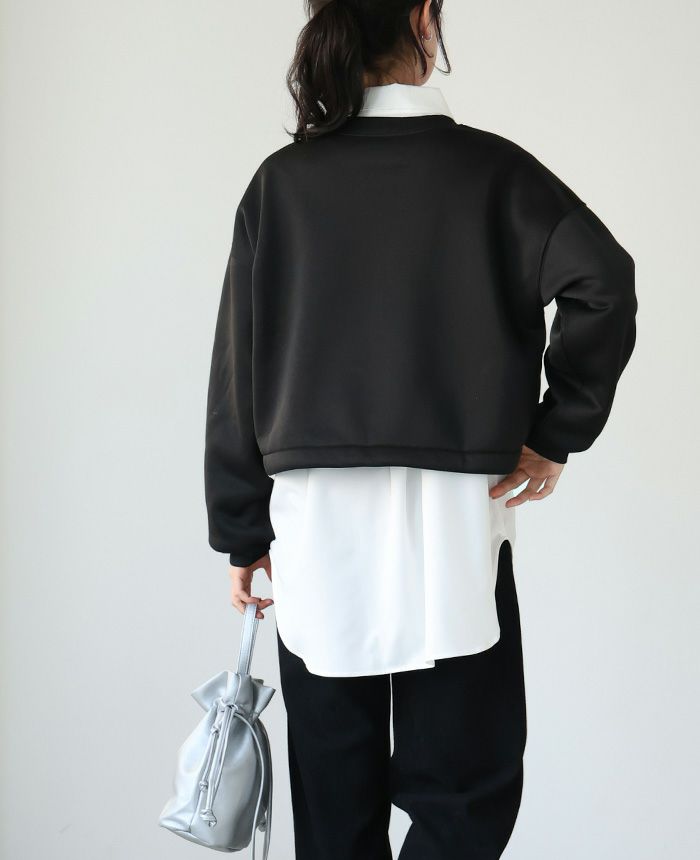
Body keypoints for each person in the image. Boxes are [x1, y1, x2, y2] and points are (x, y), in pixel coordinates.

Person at [203, 1, 637, 857]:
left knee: (335, 809)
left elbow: (236, 371)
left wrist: (241, 530)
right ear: (425, 16)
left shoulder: (281, 184)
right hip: (457, 522)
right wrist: (557, 430)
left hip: (317, 528)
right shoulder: (493, 172)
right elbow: (604, 283)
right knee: (466, 793)